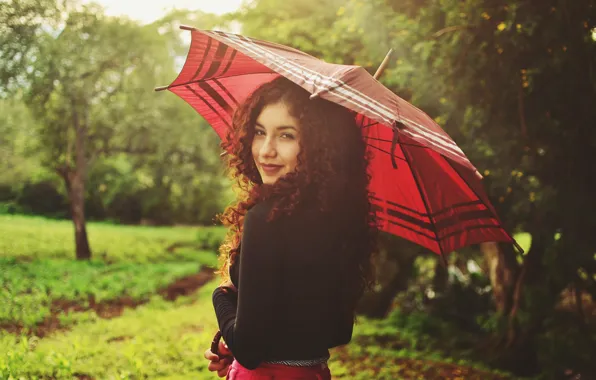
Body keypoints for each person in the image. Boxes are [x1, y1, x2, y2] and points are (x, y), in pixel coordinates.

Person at [203, 76, 377, 379]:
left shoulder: (266, 220)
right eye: (259, 132)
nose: (265, 150)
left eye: (286, 136)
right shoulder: (340, 221)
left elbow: (249, 347)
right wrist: (230, 342)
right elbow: (338, 331)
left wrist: (222, 296)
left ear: (318, 146)